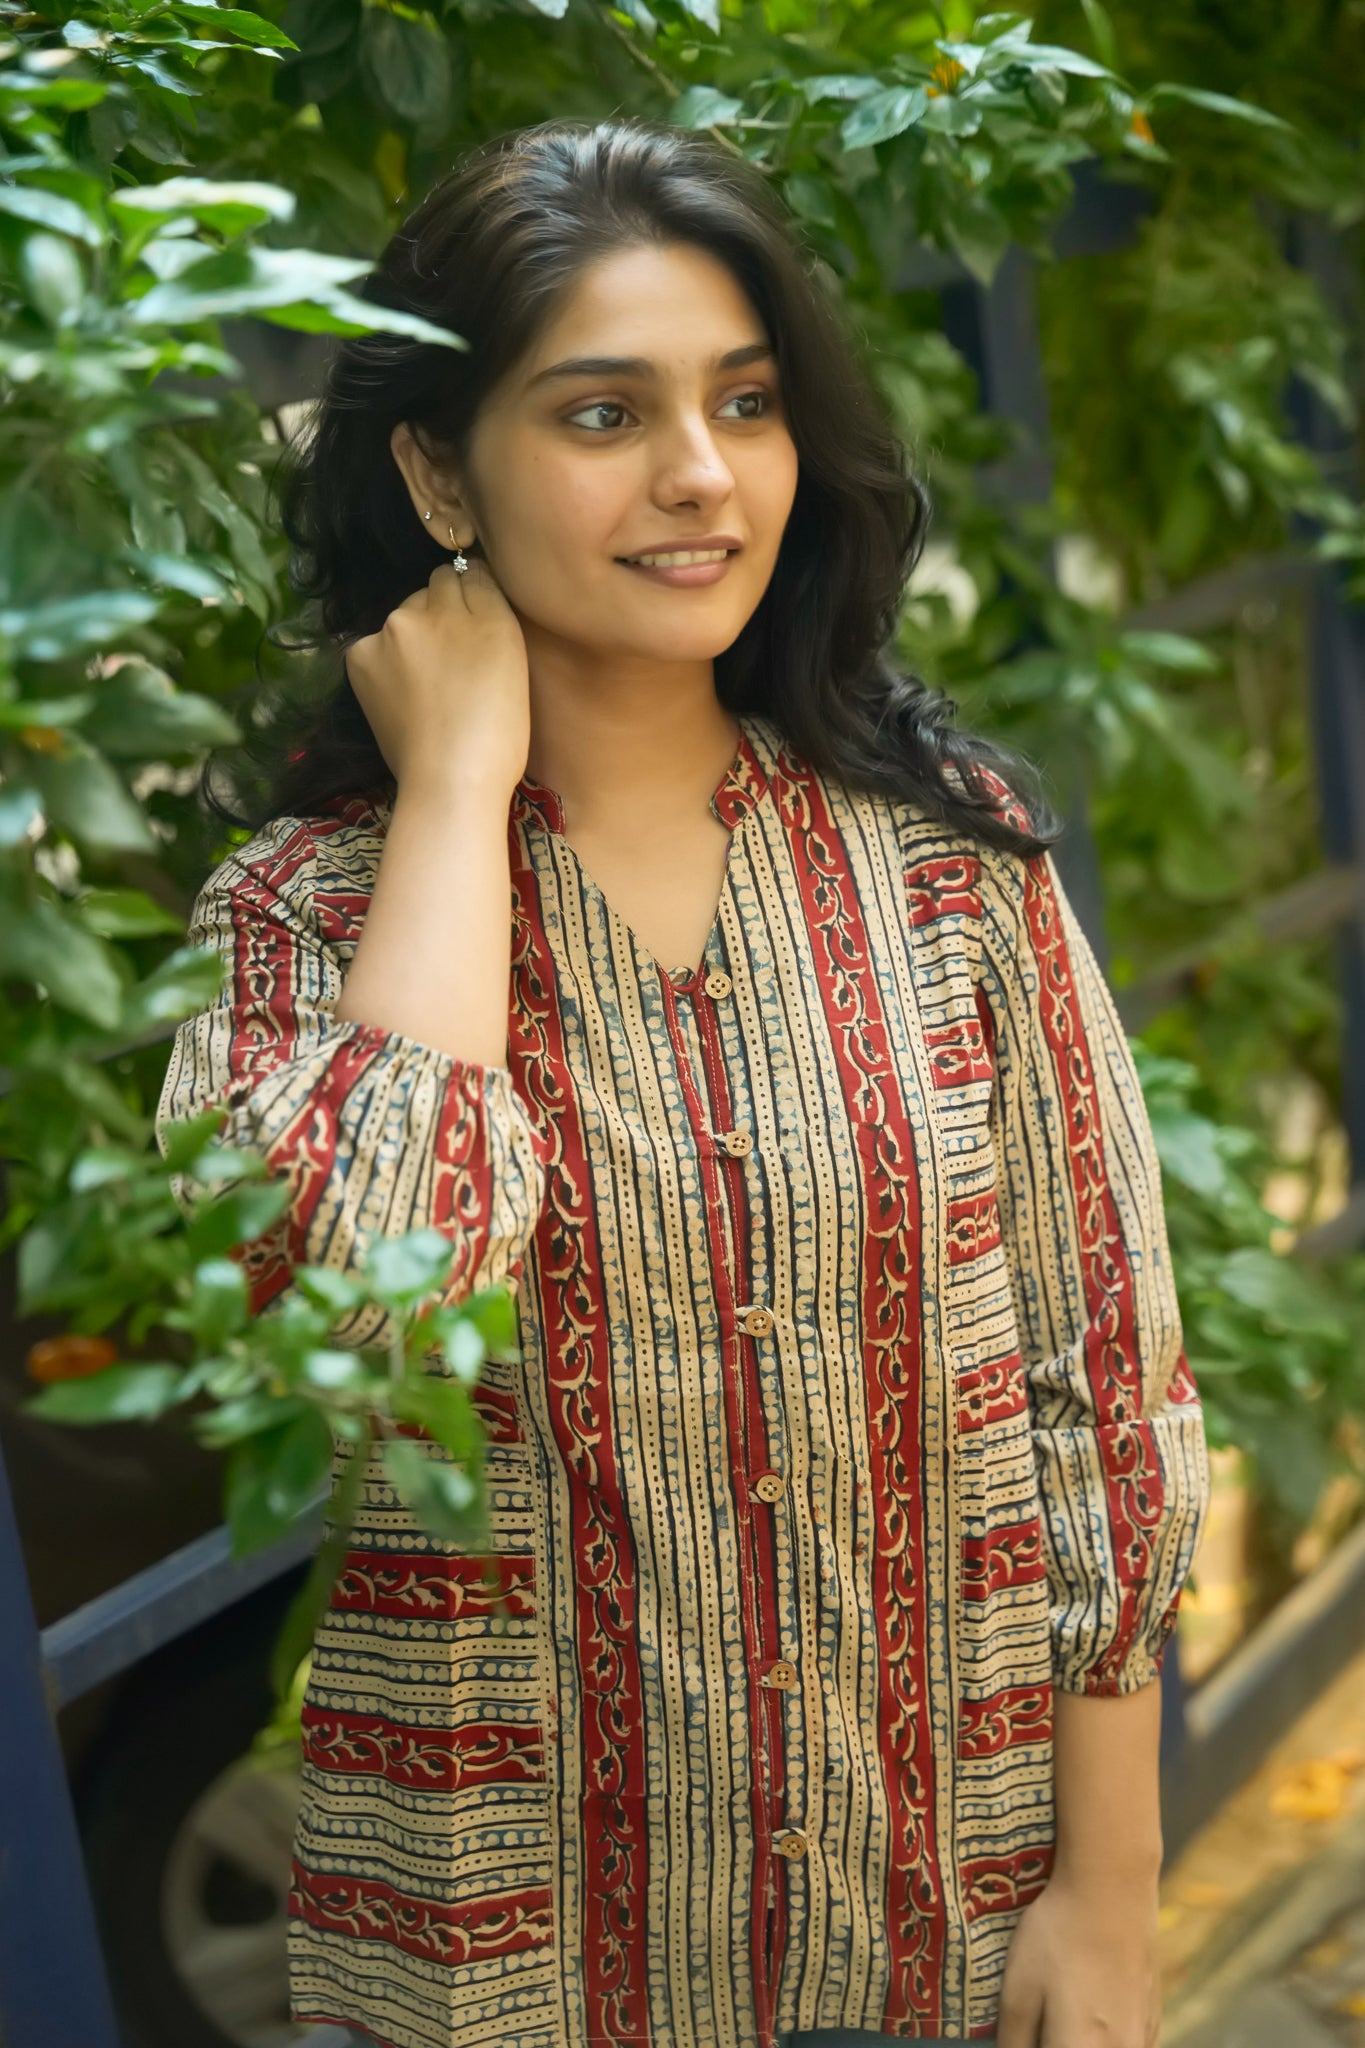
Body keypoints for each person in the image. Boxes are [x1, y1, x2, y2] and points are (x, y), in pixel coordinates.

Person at [156, 116, 1210, 2048]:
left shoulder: (944, 861)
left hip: (950, 1932)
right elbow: (366, 1319)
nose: (701, 475)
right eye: (600, 414)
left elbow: (1100, 1386)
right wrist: (457, 789)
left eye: (744, 401)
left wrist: (1112, 1895)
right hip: (508, 1965)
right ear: (435, 471)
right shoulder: (300, 920)